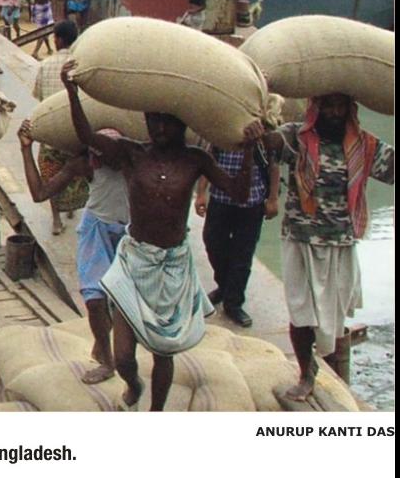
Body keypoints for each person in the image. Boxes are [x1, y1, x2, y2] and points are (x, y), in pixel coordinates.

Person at [61, 60, 263, 411]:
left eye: (167, 121)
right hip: (133, 259)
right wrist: (72, 92)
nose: (159, 128)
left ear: (182, 123)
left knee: (163, 350)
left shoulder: (196, 160)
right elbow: (88, 137)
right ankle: (133, 383)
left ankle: (156, 413)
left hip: (171, 265)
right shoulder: (132, 153)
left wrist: (248, 150)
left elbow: (238, 192)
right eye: (153, 120)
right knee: (124, 356)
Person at [264, 94, 394, 402]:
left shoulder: (364, 145)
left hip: (340, 242)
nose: (334, 112)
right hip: (301, 238)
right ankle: (306, 374)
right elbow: (268, 146)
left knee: (333, 317)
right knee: (300, 312)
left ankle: (334, 377)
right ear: (316, 108)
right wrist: (260, 128)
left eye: (340, 106)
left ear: (350, 108)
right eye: (328, 106)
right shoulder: (296, 137)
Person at [19, 123, 129, 383]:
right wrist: (26, 150)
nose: (107, 158)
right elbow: (40, 193)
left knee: (122, 302)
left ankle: (105, 343)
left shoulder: (135, 163)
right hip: (96, 230)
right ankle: (107, 361)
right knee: (94, 298)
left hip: (129, 232)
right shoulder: (86, 164)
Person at [194, 140, 280, 329]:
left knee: (242, 255)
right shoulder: (220, 134)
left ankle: (233, 303)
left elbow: (273, 165)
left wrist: (273, 199)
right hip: (220, 199)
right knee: (213, 244)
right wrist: (201, 193)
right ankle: (224, 286)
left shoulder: (262, 138)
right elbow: (209, 162)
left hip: (252, 203)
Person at [32, 20, 88, 234]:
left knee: (51, 176)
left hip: (51, 131)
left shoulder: (45, 65)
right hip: (76, 131)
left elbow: (39, 97)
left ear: (58, 39)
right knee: (76, 170)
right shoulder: (80, 65)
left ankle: (56, 220)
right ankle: (72, 208)